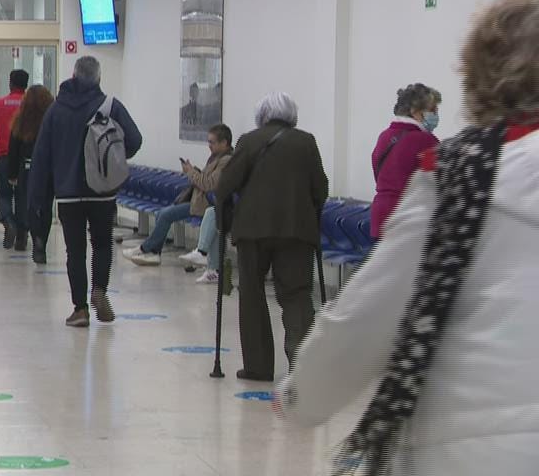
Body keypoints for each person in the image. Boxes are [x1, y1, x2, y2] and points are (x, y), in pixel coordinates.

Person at [277, 0, 539, 476]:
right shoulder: (430, 148)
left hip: (477, 450)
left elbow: (368, 314)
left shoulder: (465, 170)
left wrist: (302, 396)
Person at [215, 91, 328, 382]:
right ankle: (302, 365)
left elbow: (225, 185)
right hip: (296, 230)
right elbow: (321, 188)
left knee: (252, 294)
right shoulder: (306, 142)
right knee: (297, 295)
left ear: (262, 116)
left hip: (253, 231)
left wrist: (222, 222)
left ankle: (258, 366)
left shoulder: (249, 141)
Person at [29, 57, 142, 328]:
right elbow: (135, 139)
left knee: (75, 251)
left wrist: (37, 198)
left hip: (68, 194)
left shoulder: (56, 110)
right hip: (102, 191)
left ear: (73, 75)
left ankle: (80, 310)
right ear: (98, 78)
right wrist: (114, 158)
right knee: (102, 244)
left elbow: (41, 156)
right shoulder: (111, 106)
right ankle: (99, 290)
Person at [122, 123, 234, 272]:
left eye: (212, 142)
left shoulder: (226, 161)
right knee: (163, 213)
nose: (209, 146)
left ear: (224, 143)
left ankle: (146, 249)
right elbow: (206, 179)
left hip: (206, 205)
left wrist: (191, 172)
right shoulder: (216, 157)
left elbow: (209, 184)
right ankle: (154, 252)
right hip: (199, 202)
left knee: (166, 215)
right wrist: (193, 171)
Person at [370, 83, 442, 239]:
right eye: (432, 110)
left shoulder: (384, 136)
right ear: (415, 111)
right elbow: (436, 181)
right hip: (408, 218)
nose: (436, 115)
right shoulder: (425, 140)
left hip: (380, 215)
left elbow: (378, 173)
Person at [0, 69, 30, 249]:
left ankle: (9, 221)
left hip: (5, 157)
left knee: (5, 193)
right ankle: (22, 235)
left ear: (10, 84)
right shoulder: (30, 105)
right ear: (26, 84)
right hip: (27, 159)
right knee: (23, 195)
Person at [7, 84, 55, 264]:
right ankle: (42, 242)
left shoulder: (20, 121)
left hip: (27, 168)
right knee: (46, 207)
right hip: (48, 169)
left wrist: (12, 173)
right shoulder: (52, 120)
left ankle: (35, 239)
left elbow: (13, 150)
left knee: (30, 207)